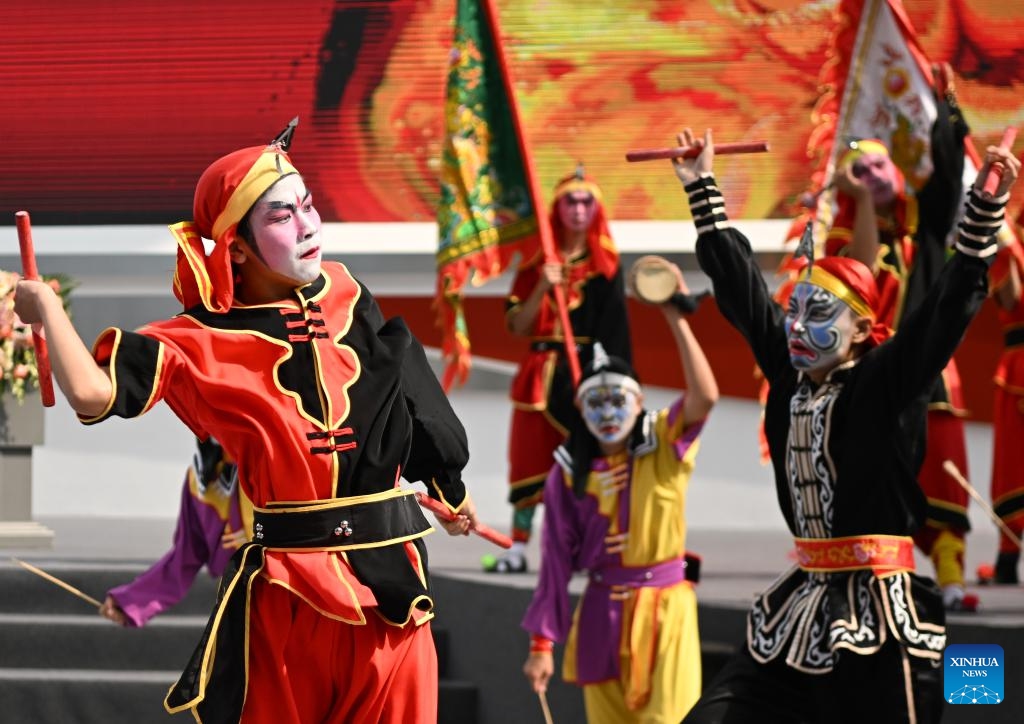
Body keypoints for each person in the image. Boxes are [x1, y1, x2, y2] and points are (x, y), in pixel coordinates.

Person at [14, 126, 478, 724]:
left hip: (391, 589)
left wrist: (445, 491)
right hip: (288, 598)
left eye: (308, 205)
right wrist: (49, 310)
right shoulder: (196, 340)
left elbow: (403, 391)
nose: (307, 225)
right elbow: (92, 394)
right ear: (236, 244)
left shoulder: (346, 291)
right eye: (283, 215)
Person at [675, 127, 1017, 723]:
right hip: (802, 601)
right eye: (795, 313)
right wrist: (701, 185)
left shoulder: (881, 384)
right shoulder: (788, 376)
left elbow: (943, 310)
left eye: (820, 315)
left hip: (880, 613)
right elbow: (745, 294)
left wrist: (984, 210)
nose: (799, 328)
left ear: (861, 329)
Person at [520, 262, 717, 723]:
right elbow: (554, 565)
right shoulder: (569, 473)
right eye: (595, 401)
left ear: (639, 401)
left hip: (667, 612)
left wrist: (674, 316)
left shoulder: (665, 443)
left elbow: (705, 397)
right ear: (580, 410)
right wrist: (541, 647)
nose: (608, 411)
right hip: (601, 614)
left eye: (618, 399)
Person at [823, 70, 978, 611]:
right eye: (859, 172)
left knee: (943, 467)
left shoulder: (927, 222)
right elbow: (860, 268)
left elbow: (951, 169)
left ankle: (953, 578)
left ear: (898, 168)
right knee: (886, 475)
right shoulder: (842, 235)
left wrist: (947, 108)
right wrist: (861, 202)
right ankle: (889, 581)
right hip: (872, 375)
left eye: (879, 167)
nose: (872, 177)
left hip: (931, 368)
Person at [489, 166, 633, 573]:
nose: (579, 209)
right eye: (571, 200)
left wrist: (610, 381)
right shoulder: (537, 263)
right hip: (539, 375)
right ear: (557, 208)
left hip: (584, 375)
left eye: (587, 201)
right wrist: (541, 286)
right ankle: (517, 546)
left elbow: (617, 330)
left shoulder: (605, 266)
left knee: (585, 465)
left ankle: (584, 546)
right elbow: (516, 325)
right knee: (527, 460)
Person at [99, 437, 249, 627]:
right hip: (240, 606)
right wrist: (131, 602)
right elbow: (185, 556)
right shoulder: (200, 480)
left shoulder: (278, 462)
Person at [980, 216, 1024, 584]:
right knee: (1013, 463)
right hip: (1018, 372)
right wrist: (1006, 247)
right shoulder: (1013, 245)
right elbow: (1010, 298)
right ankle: (1008, 556)